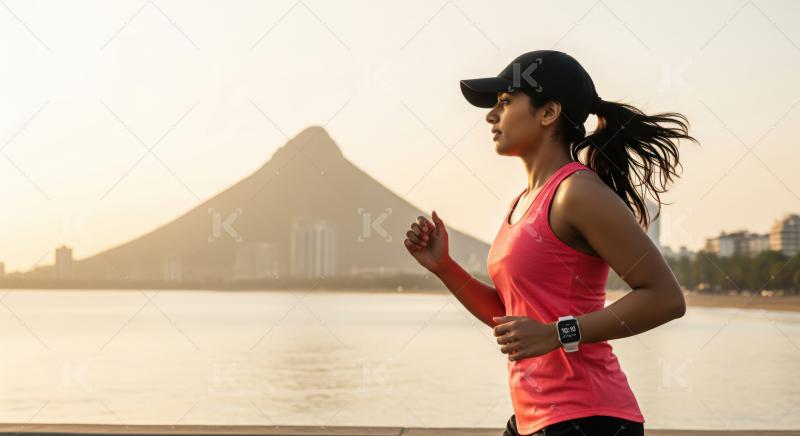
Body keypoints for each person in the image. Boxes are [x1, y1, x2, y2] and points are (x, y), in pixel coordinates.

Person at [403, 50, 698, 435]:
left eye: (505, 103)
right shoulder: (522, 202)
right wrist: (445, 267)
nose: (491, 116)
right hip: (533, 419)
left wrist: (559, 333)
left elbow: (665, 298)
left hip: (589, 418)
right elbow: (510, 319)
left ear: (548, 113)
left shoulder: (577, 192)